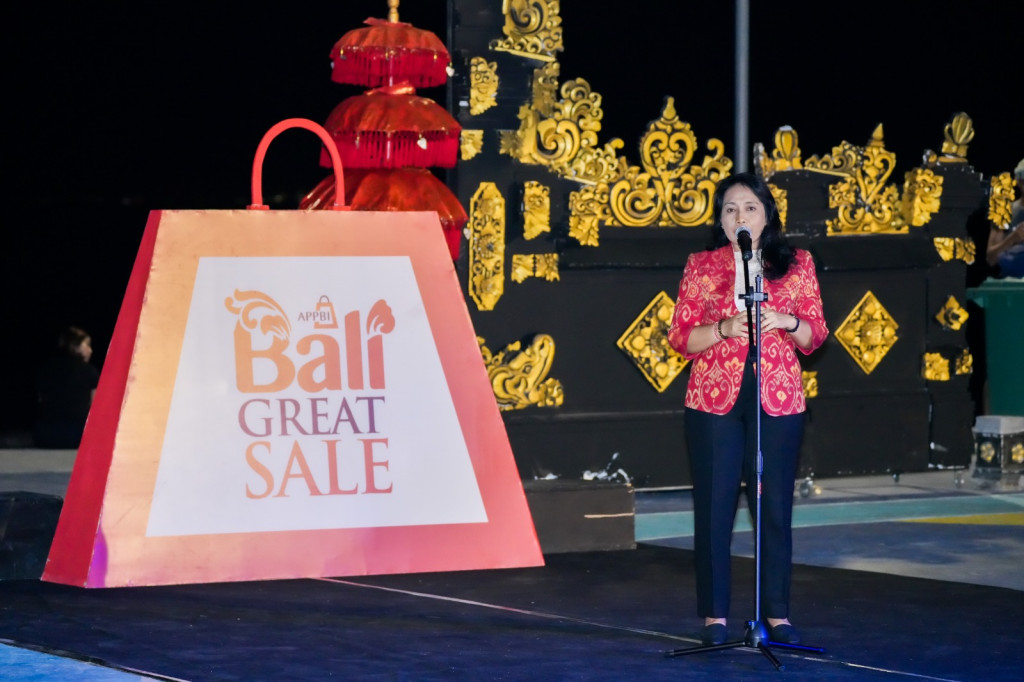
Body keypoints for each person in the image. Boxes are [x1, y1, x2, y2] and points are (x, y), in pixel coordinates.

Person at [666, 172, 828, 646]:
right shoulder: (701, 265)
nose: (741, 216)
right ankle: (714, 617)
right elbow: (680, 337)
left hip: (777, 397)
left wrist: (786, 320)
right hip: (713, 398)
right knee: (714, 506)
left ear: (767, 215)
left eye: (750, 207)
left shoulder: (797, 263)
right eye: (731, 209)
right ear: (721, 220)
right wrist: (723, 328)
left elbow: (815, 335)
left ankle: (777, 615)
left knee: (773, 506)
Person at [33, 326, 100, 449]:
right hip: (78, 434)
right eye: (87, 345)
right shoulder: (90, 371)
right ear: (75, 346)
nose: (90, 350)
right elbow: (95, 408)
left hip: (46, 434)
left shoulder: (46, 369)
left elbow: (41, 400)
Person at [985, 157, 1024, 277]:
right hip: (1010, 283)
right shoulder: (1004, 212)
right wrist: (1012, 239)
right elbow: (991, 258)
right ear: (1018, 181)